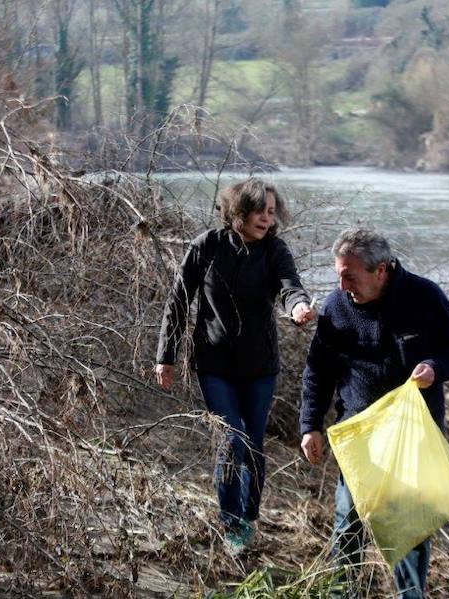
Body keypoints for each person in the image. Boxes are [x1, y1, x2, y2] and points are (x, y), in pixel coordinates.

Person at [299, 228, 449, 598]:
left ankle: (410, 595)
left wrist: (435, 367)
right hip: (358, 432)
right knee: (349, 523)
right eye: (339, 275)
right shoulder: (335, 307)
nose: (343, 284)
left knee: (410, 527)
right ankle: (345, 593)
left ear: (381, 270)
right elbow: (318, 370)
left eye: (351, 275)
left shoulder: (423, 297)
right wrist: (310, 424)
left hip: (416, 431)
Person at [156, 177, 315, 555]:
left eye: (272, 212)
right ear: (238, 212)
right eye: (259, 210)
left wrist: (297, 307)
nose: (266, 218)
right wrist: (166, 355)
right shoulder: (206, 246)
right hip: (214, 363)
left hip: (260, 366)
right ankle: (230, 523)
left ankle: (249, 516)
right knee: (231, 438)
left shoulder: (275, 250)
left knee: (254, 442)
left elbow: (290, 285)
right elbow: (178, 301)